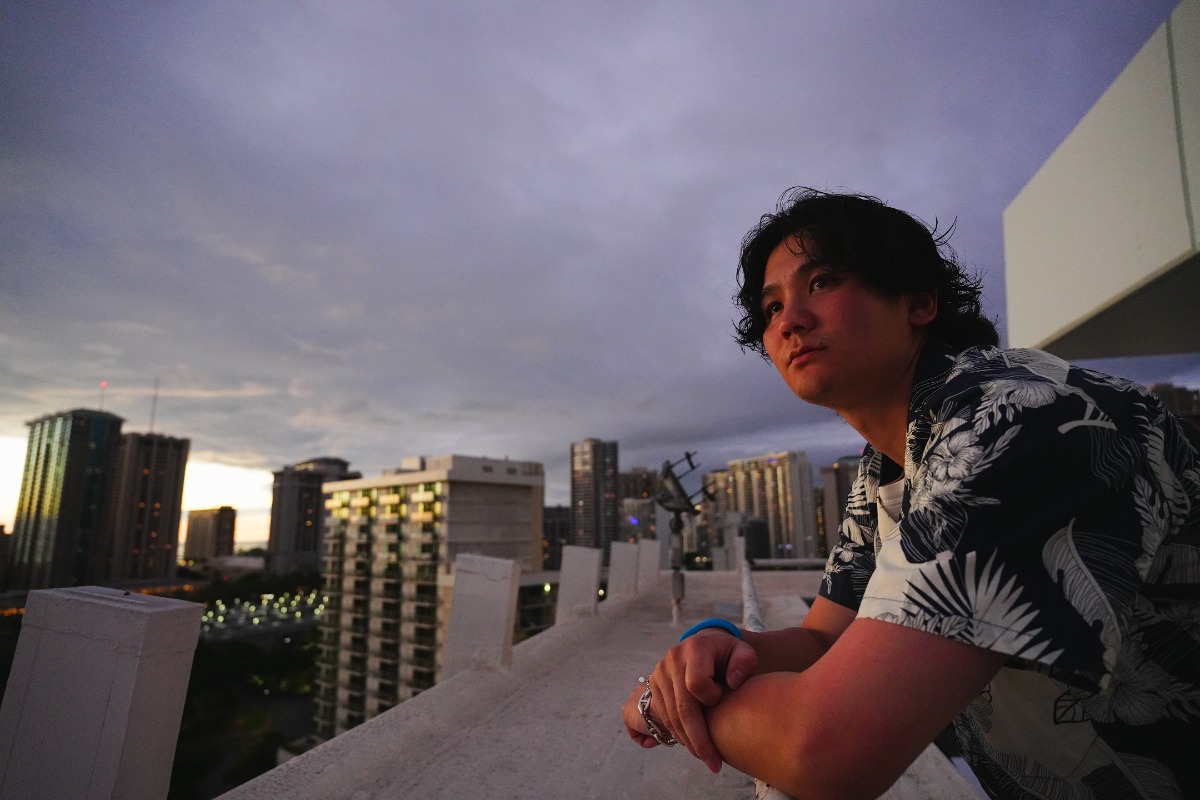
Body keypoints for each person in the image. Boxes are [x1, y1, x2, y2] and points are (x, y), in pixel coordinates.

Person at [621, 188, 1200, 800]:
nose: (789, 321)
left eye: (821, 282)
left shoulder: (1015, 422)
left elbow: (825, 752)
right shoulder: (890, 464)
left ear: (919, 301)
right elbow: (823, 640)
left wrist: (666, 708)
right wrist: (720, 649)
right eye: (772, 307)